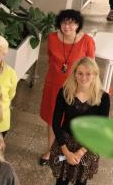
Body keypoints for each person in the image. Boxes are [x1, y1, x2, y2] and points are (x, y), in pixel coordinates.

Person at [39, 57, 110, 185]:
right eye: (80, 73)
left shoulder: (103, 98)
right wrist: (65, 150)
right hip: (65, 143)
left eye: (88, 73)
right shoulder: (65, 92)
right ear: (74, 74)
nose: (83, 77)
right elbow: (56, 122)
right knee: (61, 182)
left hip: (88, 147)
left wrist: (79, 153)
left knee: (80, 183)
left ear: (95, 75)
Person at [38, 10, 95, 165]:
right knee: (52, 118)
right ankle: (51, 150)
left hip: (76, 87)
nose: (67, 26)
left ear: (78, 25)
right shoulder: (52, 38)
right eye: (64, 22)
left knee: (72, 119)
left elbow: (90, 66)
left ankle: (71, 151)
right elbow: (50, 59)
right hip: (54, 85)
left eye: (71, 23)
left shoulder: (87, 41)